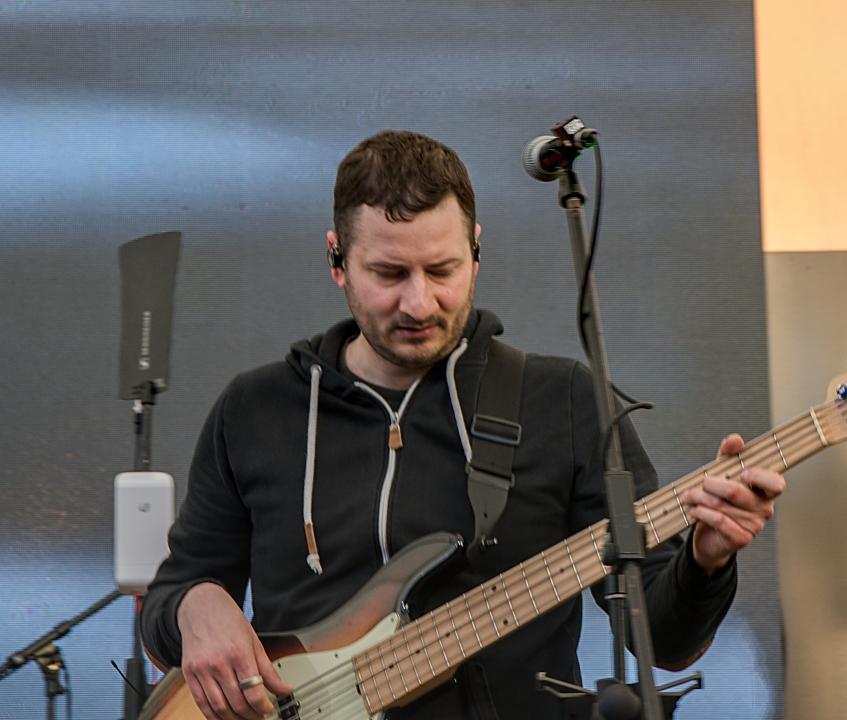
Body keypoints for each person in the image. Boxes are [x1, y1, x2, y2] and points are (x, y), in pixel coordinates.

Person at [141, 130, 785, 720]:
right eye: (389, 273)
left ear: (476, 253)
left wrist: (705, 559)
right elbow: (167, 610)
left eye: (442, 270)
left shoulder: (562, 400)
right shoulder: (256, 409)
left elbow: (665, 642)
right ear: (337, 261)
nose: (419, 302)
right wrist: (195, 605)